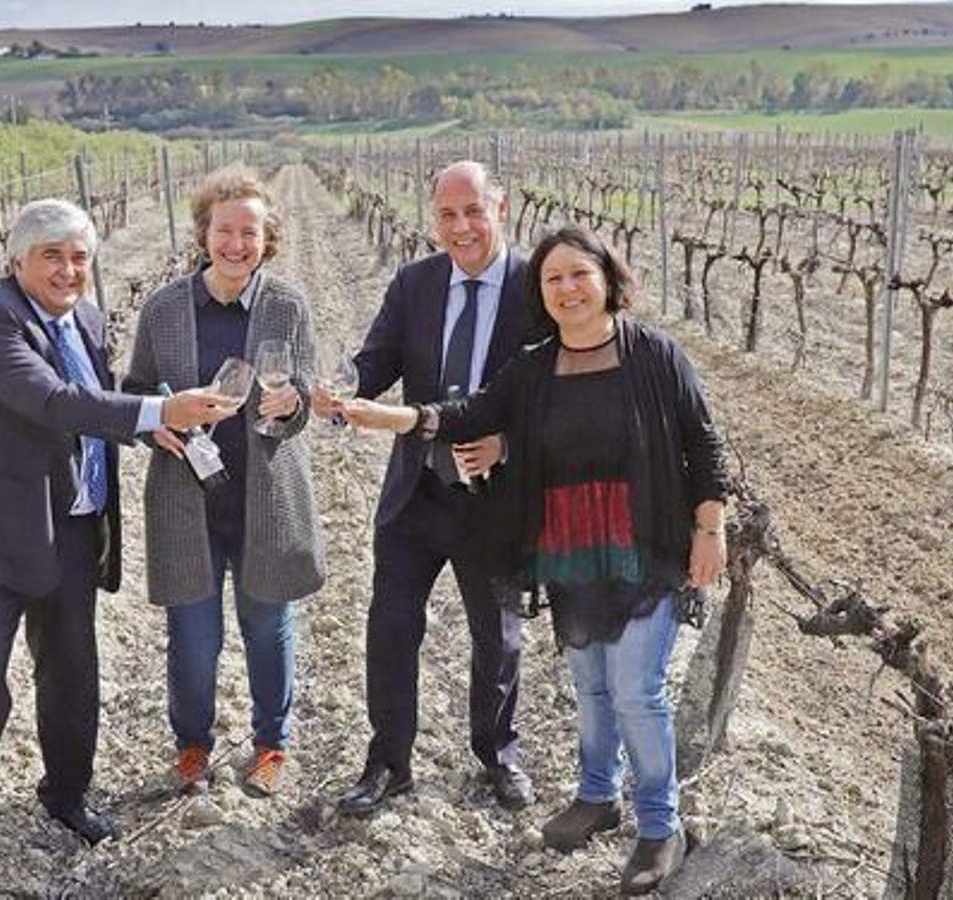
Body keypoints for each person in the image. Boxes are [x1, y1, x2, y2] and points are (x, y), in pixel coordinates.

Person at [335, 224, 731, 896]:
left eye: (580, 274)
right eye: (553, 279)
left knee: (636, 690)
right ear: (539, 294)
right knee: (593, 687)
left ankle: (660, 825)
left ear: (608, 279)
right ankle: (597, 796)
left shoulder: (655, 355)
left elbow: (703, 442)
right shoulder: (535, 366)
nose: (568, 288)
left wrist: (710, 528)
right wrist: (391, 418)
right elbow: (467, 414)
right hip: (573, 550)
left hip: (646, 548)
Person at [0, 199, 234, 894]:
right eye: (52, 257)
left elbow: (95, 396)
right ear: (17, 262)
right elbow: (55, 401)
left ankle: (66, 796)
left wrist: (152, 422)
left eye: (79, 257)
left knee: (71, 675)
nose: (69, 270)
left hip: (70, 524)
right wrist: (156, 410)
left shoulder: (85, 319)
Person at [311, 160, 535, 815]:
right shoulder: (415, 283)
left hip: (494, 496)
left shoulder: (536, 287)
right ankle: (389, 762)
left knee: (497, 638)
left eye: (474, 211)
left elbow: (556, 395)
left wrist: (509, 444)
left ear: (502, 209)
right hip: (418, 490)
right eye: (447, 215)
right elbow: (377, 361)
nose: (461, 227)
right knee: (390, 628)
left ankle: (497, 755)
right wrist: (345, 388)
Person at [123, 164, 325, 798]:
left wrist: (292, 404)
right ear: (204, 233)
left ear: (268, 238)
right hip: (186, 501)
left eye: (249, 233)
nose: (236, 244)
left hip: (266, 498)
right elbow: (136, 392)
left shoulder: (287, 306)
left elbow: (305, 394)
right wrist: (157, 424)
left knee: (268, 627)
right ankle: (192, 746)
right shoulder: (164, 309)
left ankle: (271, 745)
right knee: (193, 637)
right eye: (224, 231)